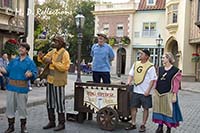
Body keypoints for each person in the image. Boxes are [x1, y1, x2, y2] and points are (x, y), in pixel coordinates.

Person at [0, 43, 38, 133]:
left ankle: (23, 127)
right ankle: (11, 126)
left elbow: (35, 74)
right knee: (10, 108)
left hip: (22, 88)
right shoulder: (14, 60)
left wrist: (31, 74)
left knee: (22, 108)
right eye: (20, 47)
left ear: (27, 50)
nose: (20, 49)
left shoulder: (30, 62)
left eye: (23, 48)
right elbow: (7, 71)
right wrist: (2, 69)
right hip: (11, 88)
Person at [38, 36, 70, 131]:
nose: (54, 43)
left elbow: (65, 67)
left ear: (61, 43)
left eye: (56, 42)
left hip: (59, 82)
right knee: (50, 102)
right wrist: (41, 57)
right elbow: (45, 60)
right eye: (54, 42)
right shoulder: (52, 51)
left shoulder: (65, 53)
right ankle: (51, 122)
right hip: (50, 81)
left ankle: (61, 123)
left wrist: (52, 62)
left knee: (60, 103)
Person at [125, 49, 157, 132]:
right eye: (139, 54)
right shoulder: (136, 64)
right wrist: (128, 82)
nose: (140, 55)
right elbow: (131, 74)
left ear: (146, 56)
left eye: (142, 54)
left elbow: (152, 80)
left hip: (145, 92)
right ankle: (133, 123)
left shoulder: (151, 66)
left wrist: (148, 90)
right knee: (133, 107)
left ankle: (143, 124)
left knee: (145, 108)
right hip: (136, 90)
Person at [152, 52, 183, 133]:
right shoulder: (160, 69)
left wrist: (174, 94)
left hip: (168, 93)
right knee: (159, 109)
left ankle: (168, 128)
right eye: (162, 58)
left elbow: (176, 84)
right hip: (159, 92)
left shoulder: (175, 71)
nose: (162, 59)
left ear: (169, 58)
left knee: (169, 111)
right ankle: (160, 126)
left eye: (164, 57)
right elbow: (157, 80)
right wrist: (154, 90)